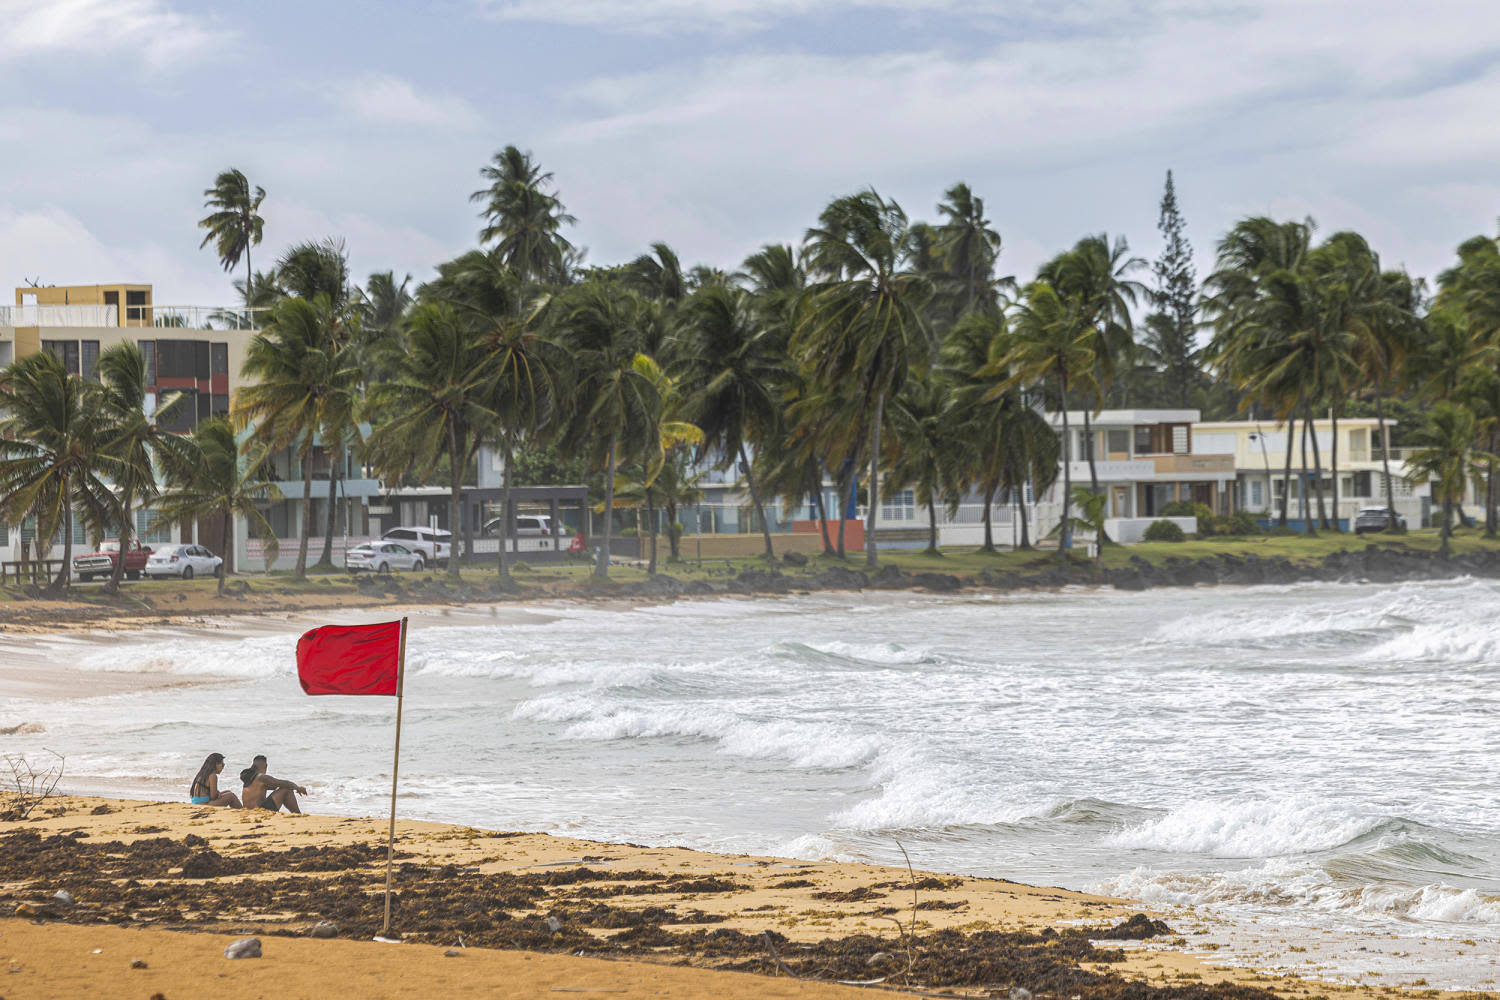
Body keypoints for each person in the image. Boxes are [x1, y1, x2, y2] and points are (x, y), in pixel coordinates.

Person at [239, 754, 308, 814]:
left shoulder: (250, 777)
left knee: (285, 787)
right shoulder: (261, 777)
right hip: (260, 811)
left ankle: (297, 814)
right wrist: (298, 788)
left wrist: (285, 786)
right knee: (286, 789)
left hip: (248, 811)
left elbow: (274, 787)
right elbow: (283, 783)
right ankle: (298, 814)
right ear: (266, 766)